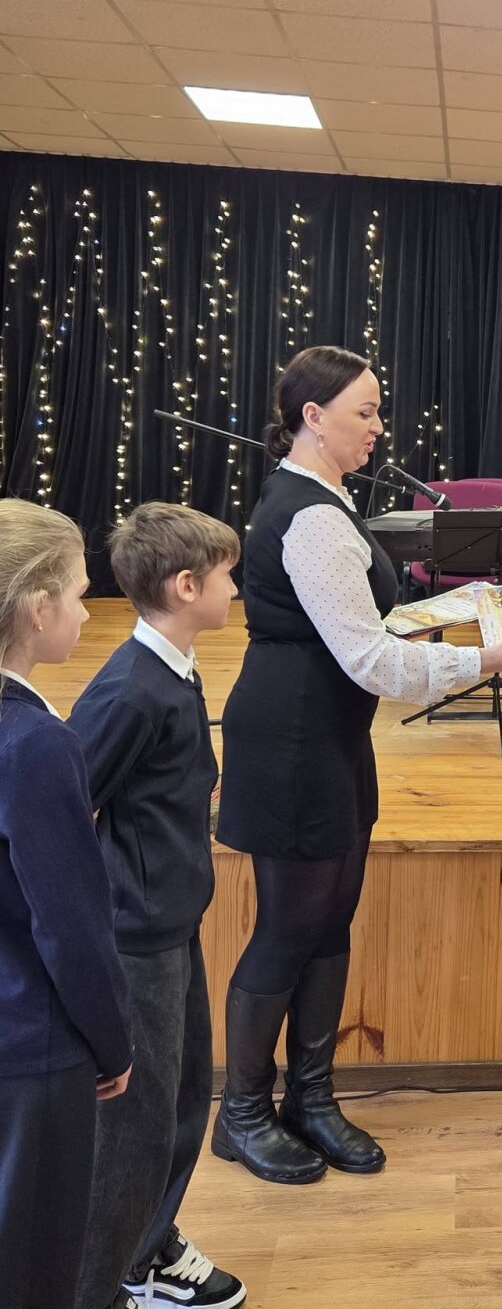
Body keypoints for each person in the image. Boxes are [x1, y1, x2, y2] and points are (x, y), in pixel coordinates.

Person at [214, 346, 502, 1183]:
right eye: (364, 411)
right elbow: (371, 662)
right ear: (312, 416)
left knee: (330, 921)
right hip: (293, 740)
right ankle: (243, 1113)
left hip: (327, 736)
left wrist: (456, 611)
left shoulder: (325, 498)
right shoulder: (312, 515)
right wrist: (489, 658)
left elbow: (361, 623)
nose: (377, 427)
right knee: (289, 927)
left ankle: (312, 1099)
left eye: (377, 411)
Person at [69, 503, 245, 1309]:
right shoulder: (130, 693)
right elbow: (65, 808)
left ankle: (145, 1248)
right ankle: (94, 1287)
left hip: (172, 924)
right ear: (185, 587)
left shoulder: (176, 671)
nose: (236, 590)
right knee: (133, 1134)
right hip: (136, 941)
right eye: (227, 576)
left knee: (179, 1103)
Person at [0, 500, 132, 1309]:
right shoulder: (38, 744)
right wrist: (112, 1045)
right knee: (33, 1266)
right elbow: (72, 926)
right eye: (82, 595)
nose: (88, 613)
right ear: (37, 607)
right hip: (31, 1050)